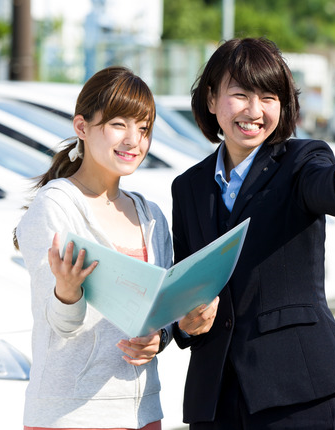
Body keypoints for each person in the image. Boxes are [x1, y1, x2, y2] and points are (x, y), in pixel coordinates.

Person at [170, 38, 335, 429]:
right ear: (212, 100)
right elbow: (186, 281)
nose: (254, 110)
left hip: (297, 389)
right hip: (214, 397)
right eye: (240, 95)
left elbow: (324, 185)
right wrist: (184, 322)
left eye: (268, 97)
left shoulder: (302, 160)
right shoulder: (188, 187)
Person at [14, 66, 218, 430]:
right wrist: (67, 291)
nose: (134, 141)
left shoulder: (149, 214)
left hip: (142, 412)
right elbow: (59, 325)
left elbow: (161, 312)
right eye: (119, 124)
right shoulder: (57, 205)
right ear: (82, 127)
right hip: (70, 413)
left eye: (144, 129)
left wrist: (165, 334)